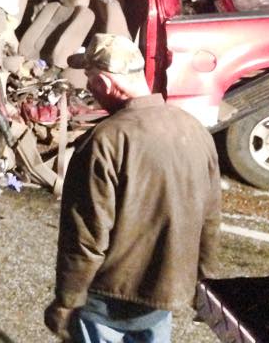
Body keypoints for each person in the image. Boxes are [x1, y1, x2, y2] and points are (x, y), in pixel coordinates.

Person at [44, 33, 222, 343]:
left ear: (105, 82)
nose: (88, 88)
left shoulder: (104, 141)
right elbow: (210, 219)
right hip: (162, 298)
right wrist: (204, 287)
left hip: (107, 299)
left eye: (89, 79)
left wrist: (67, 301)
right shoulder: (194, 130)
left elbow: (86, 238)